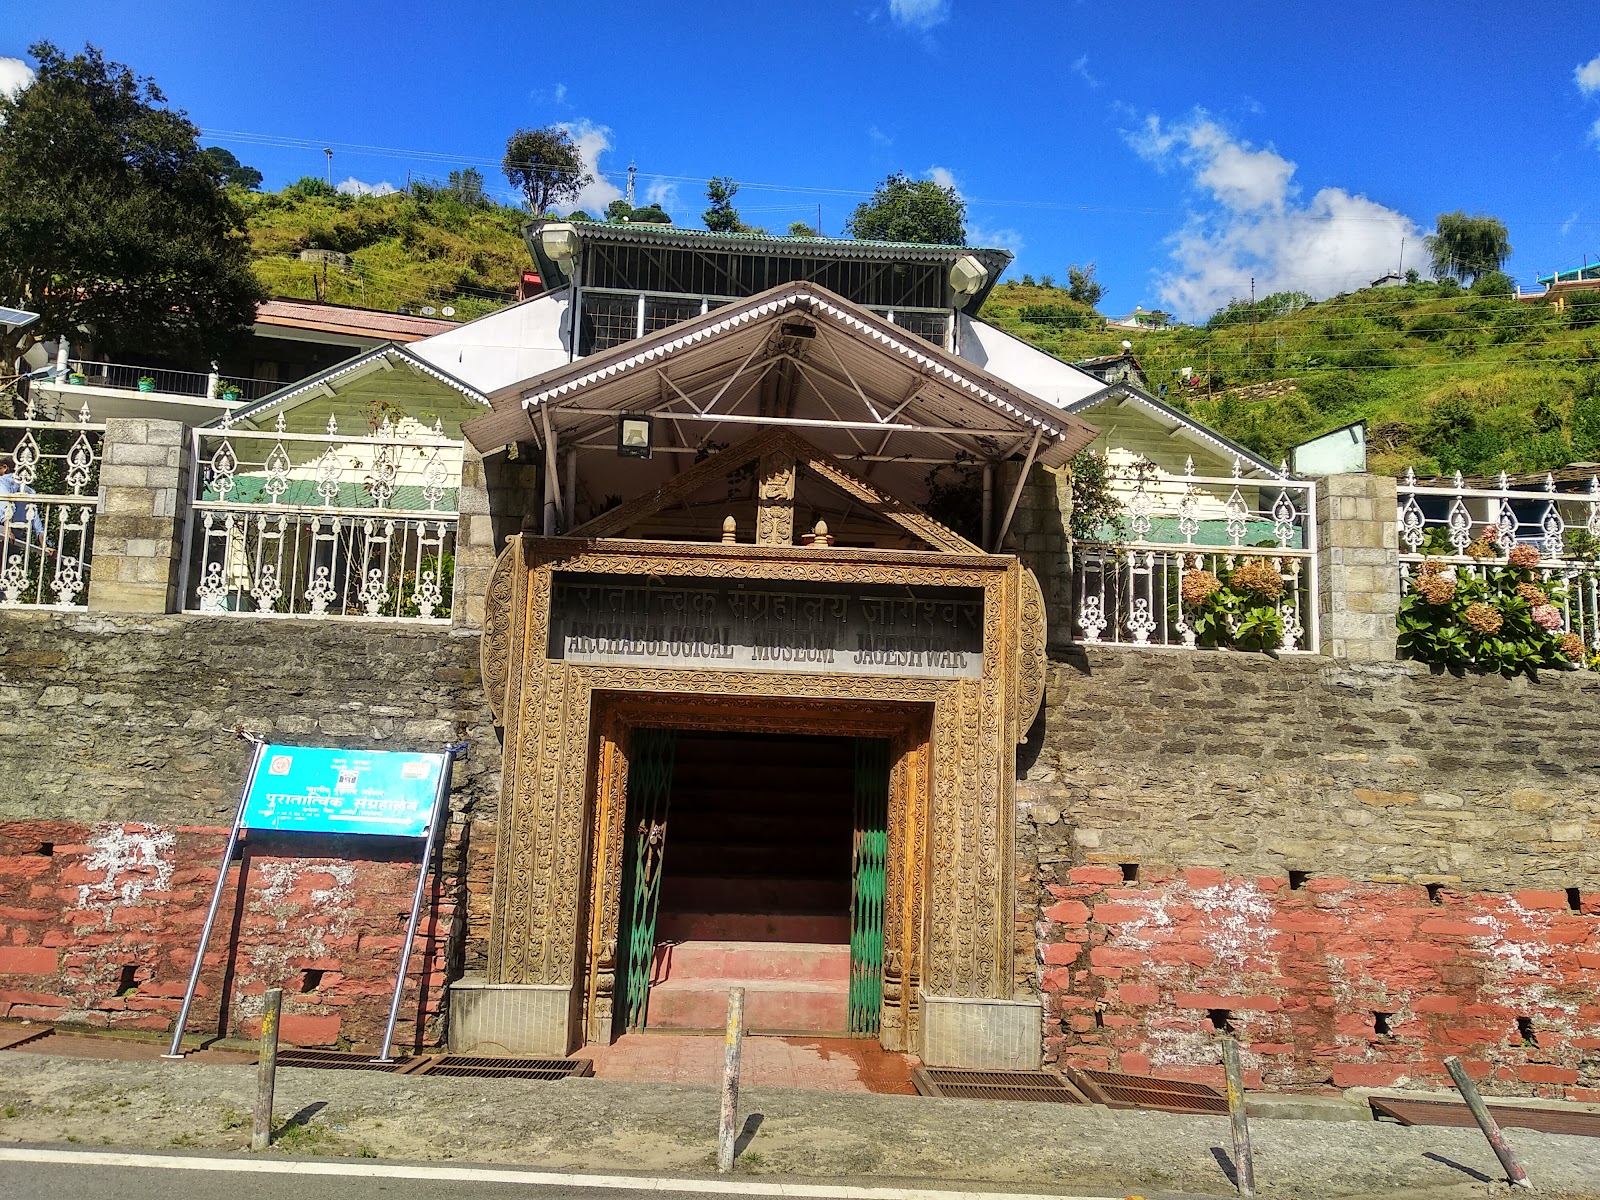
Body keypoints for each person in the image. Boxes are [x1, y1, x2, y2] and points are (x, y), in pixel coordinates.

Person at [0, 452, 50, 552]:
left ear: (5, 467)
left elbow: (6, 503)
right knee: (9, 564)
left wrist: (7, 527)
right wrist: (44, 545)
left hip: (4, 530)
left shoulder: (2, 481)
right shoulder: (28, 490)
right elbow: (35, 519)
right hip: (17, 534)